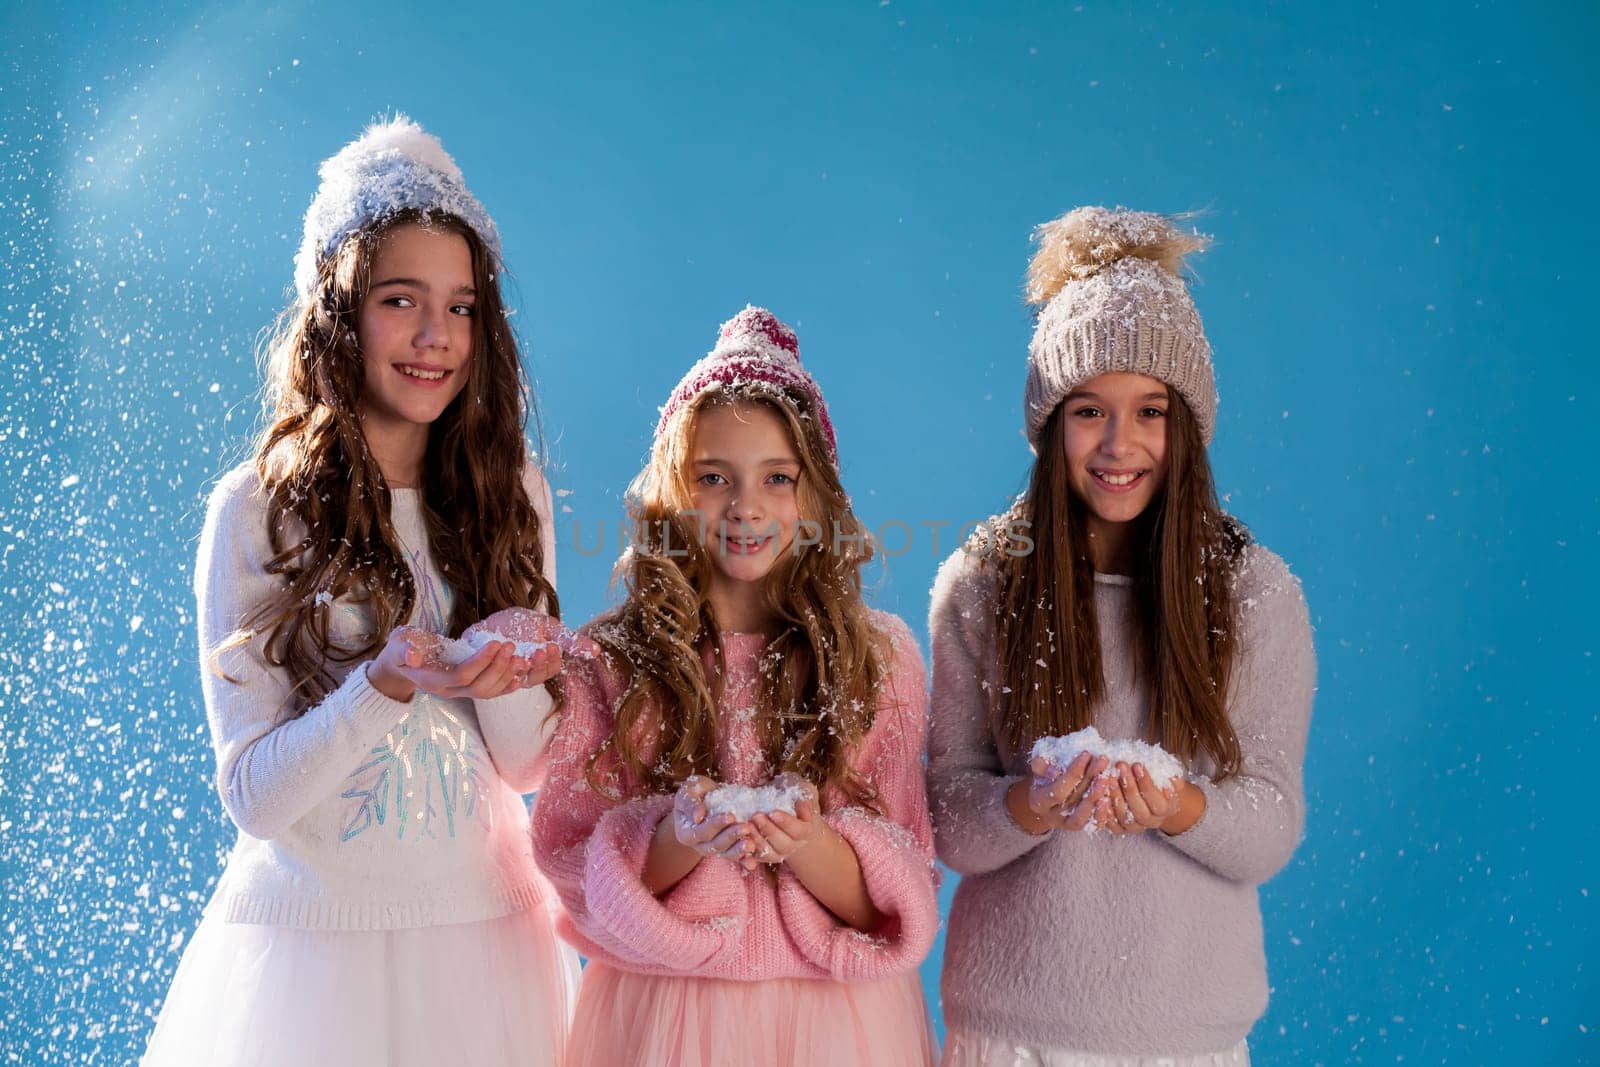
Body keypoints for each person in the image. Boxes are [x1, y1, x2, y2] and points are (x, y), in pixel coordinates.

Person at [143, 116, 578, 1067]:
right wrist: (379, 687)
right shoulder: (260, 511)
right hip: (313, 955)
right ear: (338, 309)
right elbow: (254, 795)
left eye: (462, 307)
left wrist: (504, 676)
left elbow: (530, 771)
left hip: (487, 947)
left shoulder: (512, 498)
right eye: (400, 299)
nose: (436, 337)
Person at [928, 207, 1316, 1066]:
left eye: (1150, 411)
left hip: (1190, 1039)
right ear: (1048, 423)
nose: (1119, 444)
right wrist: (1031, 804)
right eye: (1088, 410)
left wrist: (1180, 805)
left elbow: (1272, 821)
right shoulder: (983, 586)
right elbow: (948, 810)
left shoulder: (1255, 595)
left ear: (1187, 426)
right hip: (1011, 1034)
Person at [533, 306, 938, 1066]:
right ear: (670, 494)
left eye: (777, 478)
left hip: (839, 1028)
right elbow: (574, 864)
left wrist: (810, 841)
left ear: (816, 496)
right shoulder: (610, 659)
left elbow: (895, 895)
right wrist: (680, 837)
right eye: (713, 477)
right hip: (662, 1022)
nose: (746, 506)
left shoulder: (879, 660)